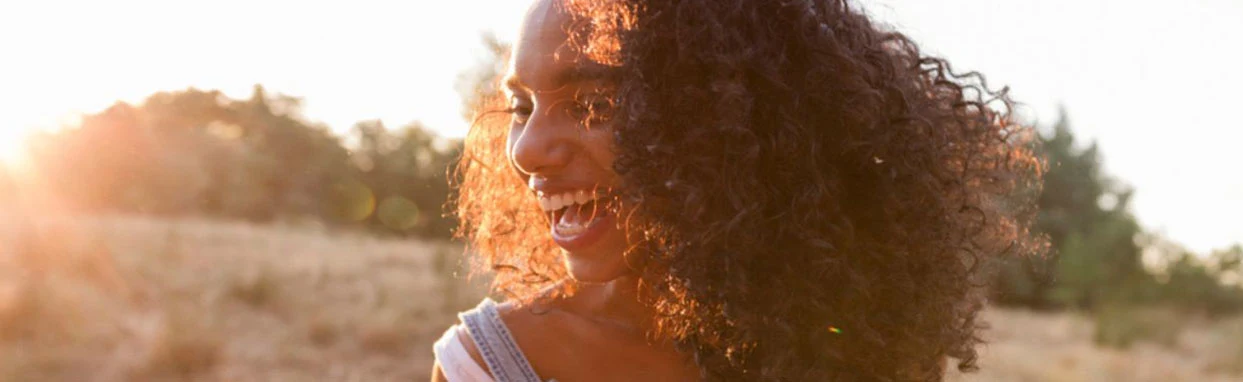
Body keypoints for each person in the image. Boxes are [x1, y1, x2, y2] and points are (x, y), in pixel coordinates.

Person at [433, 0, 1043, 380]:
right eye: (521, 106)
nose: (526, 149)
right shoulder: (494, 363)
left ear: (738, 119)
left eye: (594, 104)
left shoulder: (849, 351)